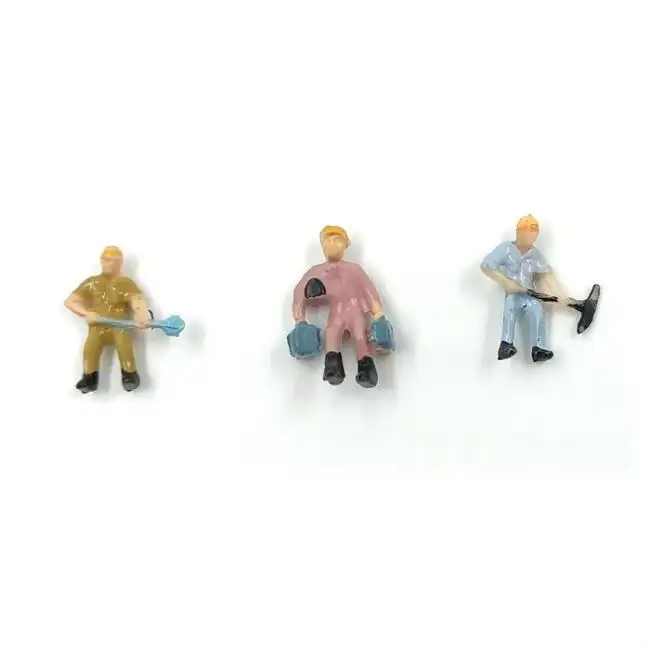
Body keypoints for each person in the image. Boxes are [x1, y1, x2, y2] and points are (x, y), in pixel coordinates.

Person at [291, 226, 388, 387]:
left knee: (360, 336)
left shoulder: (354, 269)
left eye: (337, 240)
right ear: (322, 245)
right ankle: (333, 367)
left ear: (345, 244)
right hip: (337, 312)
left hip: (355, 310)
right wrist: (299, 318)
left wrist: (378, 312)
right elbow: (299, 293)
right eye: (327, 241)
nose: (332, 244)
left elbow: (368, 289)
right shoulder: (317, 272)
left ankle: (366, 369)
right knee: (331, 333)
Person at [480, 215, 568, 362]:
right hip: (513, 293)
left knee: (537, 310)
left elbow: (547, 275)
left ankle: (539, 348)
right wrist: (505, 282)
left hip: (529, 294)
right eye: (527, 233)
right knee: (510, 310)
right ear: (518, 232)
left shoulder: (536, 255)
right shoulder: (506, 249)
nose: (531, 237)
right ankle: (506, 344)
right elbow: (486, 266)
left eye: (534, 234)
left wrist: (560, 295)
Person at [64, 246, 151, 392]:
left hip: (118, 325)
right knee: (90, 347)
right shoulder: (92, 282)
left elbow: (137, 301)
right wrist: (86, 313)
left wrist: (142, 316)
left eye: (112, 260)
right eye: (105, 260)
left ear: (120, 263)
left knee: (124, 344)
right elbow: (70, 302)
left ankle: (129, 374)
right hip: (98, 326)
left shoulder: (126, 283)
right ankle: (89, 377)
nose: (107, 263)